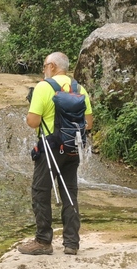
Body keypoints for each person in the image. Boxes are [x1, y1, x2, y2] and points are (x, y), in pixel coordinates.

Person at [18, 52, 94, 256]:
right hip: (72, 147)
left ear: (52, 66)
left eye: (44, 66)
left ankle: (43, 241)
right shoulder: (79, 88)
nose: (44, 70)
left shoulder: (44, 87)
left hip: (50, 148)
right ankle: (71, 243)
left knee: (41, 191)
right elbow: (89, 123)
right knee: (70, 192)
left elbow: (33, 122)